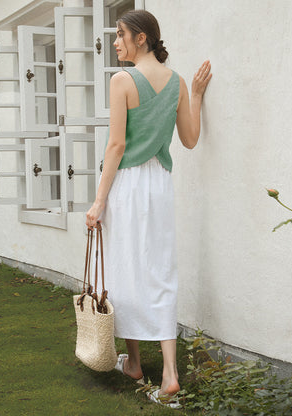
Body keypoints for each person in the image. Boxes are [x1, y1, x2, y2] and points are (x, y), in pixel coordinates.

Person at [85, 9, 211, 407]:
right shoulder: (175, 82)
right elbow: (190, 140)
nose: (116, 42)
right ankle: (168, 373)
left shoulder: (122, 80)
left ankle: (136, 361)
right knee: (159, 269)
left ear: (142, 38)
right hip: (159, 185)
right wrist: (197, 93)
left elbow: (116, 147)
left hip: (128, 185)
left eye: (120, 35)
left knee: (125, 268)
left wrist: (99, 200)